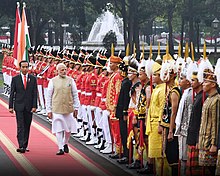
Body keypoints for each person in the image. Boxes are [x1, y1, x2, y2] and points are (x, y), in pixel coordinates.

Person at [46, 63, 80, 155]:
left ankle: (65, 143)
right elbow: (48, 96)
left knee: (68, 130)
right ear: (57, 71)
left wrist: (76, 107)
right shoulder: (52, 81)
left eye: (65, 69)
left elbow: (75, 94)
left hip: (68, 109)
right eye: (62, 70)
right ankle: (60, 147)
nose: (64, 71)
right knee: (58, 128)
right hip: (56, 108)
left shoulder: (71, 80)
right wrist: (48, 110)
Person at [9, 60, 37, 153]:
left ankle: (25, 144)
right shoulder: (15, 79)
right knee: (20, 126)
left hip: (29, 107)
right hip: (19, 106)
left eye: (26, 67)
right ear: (20, 68)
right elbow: (12, 93)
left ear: (29, 68)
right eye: (23, 67)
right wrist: (10, 106)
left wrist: (34, 106)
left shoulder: (33, 79)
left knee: (27, 125)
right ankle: (21, 145)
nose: (25, 69)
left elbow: (34, 93)